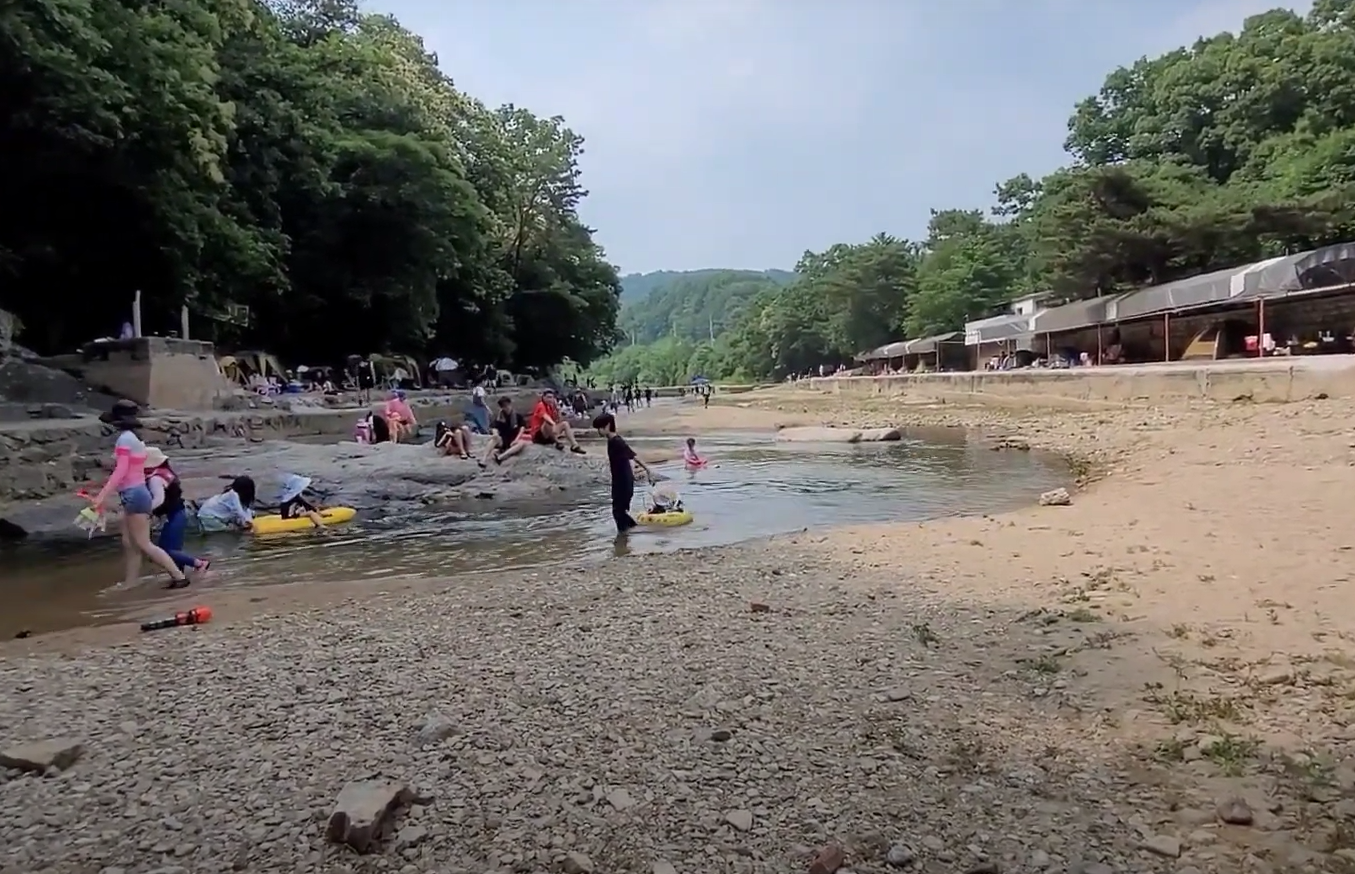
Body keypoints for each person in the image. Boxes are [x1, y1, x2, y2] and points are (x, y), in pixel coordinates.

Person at [90, 400, 191, 589]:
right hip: (135, 494)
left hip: (134, 494)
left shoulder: (124, 440)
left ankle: (179, 577)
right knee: (130, 543)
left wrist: (101, 496)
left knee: (143, 543)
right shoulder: (134, 439)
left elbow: (120, 472)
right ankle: (131, 583)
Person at [144, 446, 210, 576]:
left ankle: (198, 563)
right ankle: (179, 576)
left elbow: (159, 499)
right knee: (174, 549)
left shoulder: (155, 478)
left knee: (165, 550)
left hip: (173, 516)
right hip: (179, 513)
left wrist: (146, 510)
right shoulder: (166, 472)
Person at [593, 411, 653, 534]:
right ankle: (631, 532)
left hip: (623, 482)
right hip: (620, 480)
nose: (598, 431)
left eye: (600, 428)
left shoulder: (617, 441)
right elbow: (626, 458)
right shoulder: (612, 441)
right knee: (619, 511)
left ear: (608, 425)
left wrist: (648, 471)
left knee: (618, 512)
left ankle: (625, 538)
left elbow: (632, 455)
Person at [528, 389, 585, 453]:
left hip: (550, 434)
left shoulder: (551, 407)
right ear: (543, 397)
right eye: (548, 397)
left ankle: (574, 445)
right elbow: (545, 417)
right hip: (539, 435)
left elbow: (559, 420)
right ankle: (557, 441)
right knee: (548, 423)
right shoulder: (541, 405)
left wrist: (558, 410)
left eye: (552, 398)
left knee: (565, 424)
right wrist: (553, 424)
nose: (550, 399)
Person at [480, 396, 530, 467]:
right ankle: (483, 459)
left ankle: (501, 457)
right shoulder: (499, 417)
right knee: (495, 438)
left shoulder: (517, 416)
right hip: (503, 440)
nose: (507, 408)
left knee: (521, 443)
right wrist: (495, 434)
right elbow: (494, 427)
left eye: (507, 405)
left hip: (513, 439)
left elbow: (522, 428)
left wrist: (517, 439)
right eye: (504, 406)